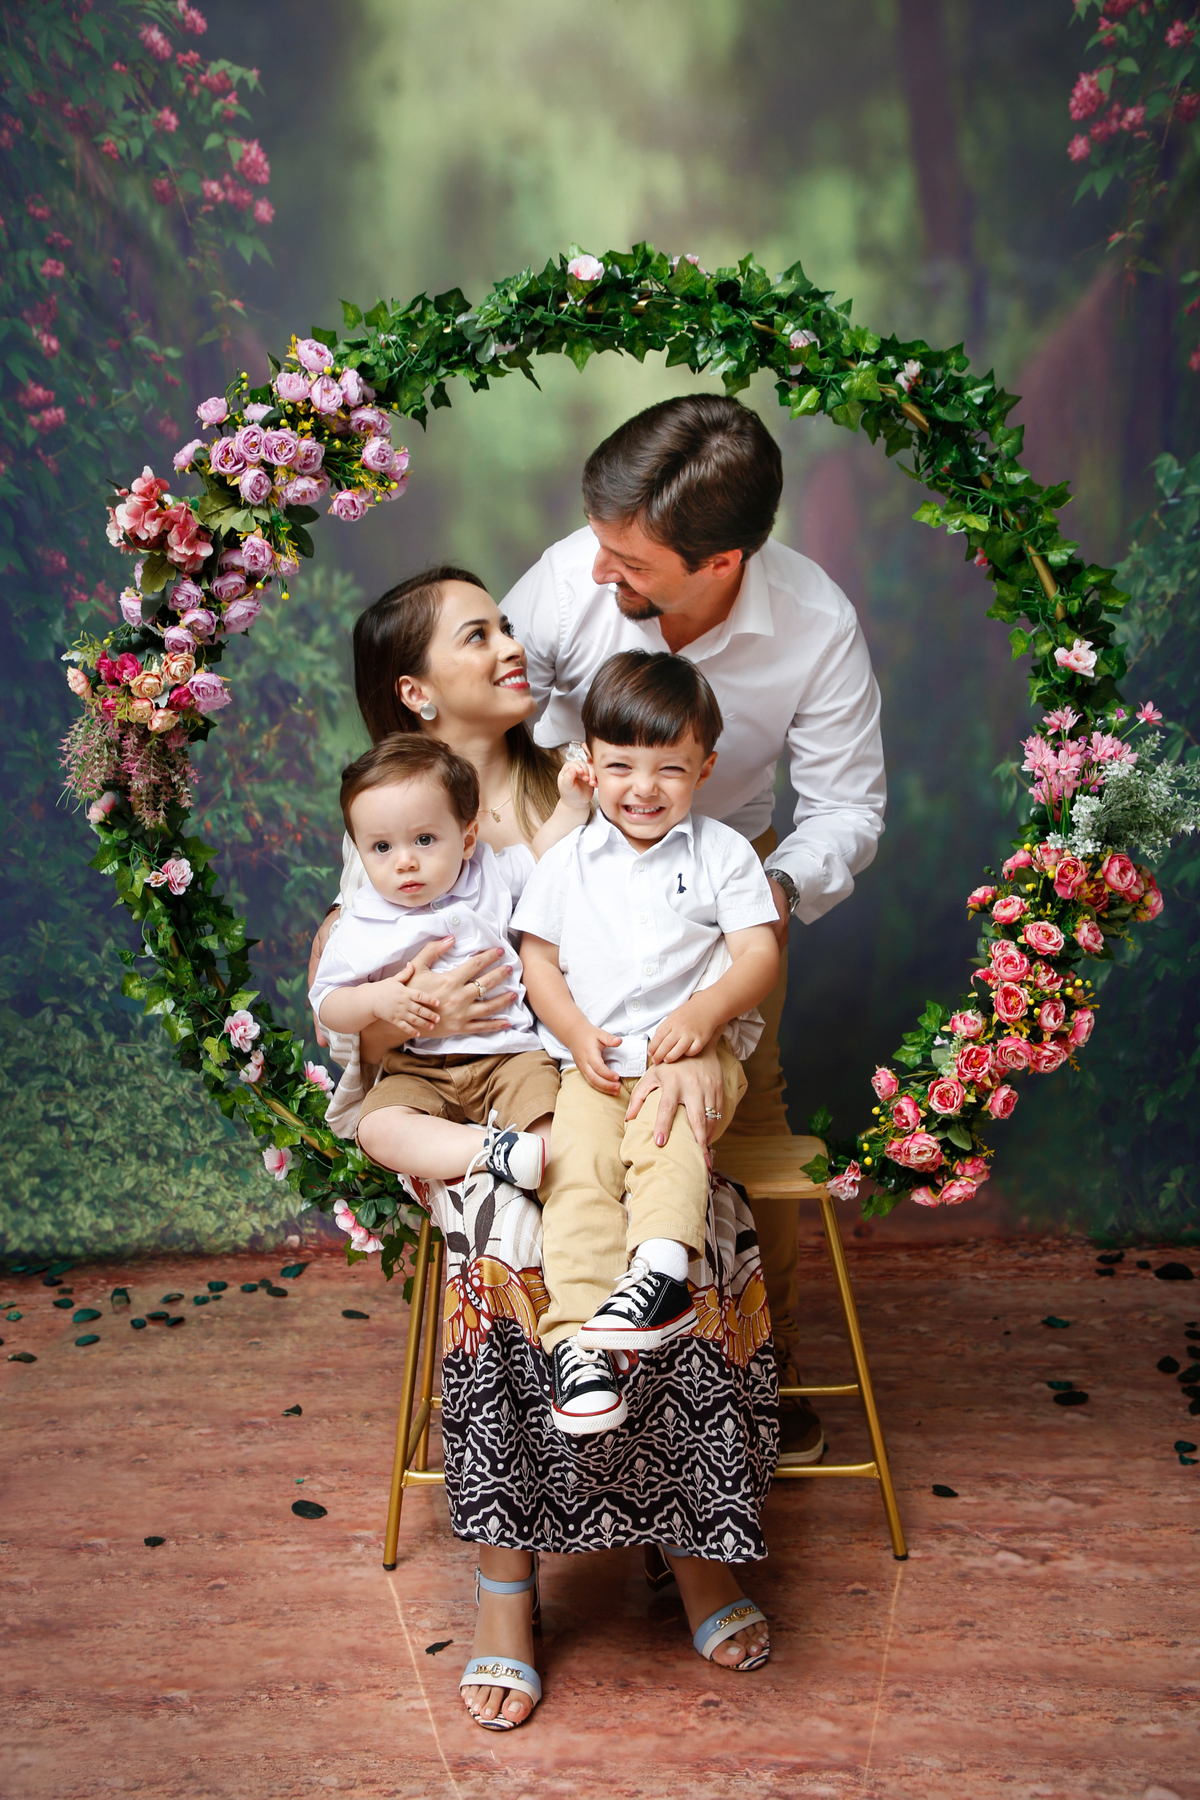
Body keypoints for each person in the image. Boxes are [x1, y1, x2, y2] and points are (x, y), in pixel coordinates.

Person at [308, 565, 777, 1733]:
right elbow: (350, 993)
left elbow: (705, 951)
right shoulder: (402, 810)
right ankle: (507, 1587)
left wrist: (692, 1057)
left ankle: (690, 1537)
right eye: (479, 635)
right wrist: (404, 1009)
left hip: (606, 1087)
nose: (512, 646)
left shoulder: (595, 770)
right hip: (473, 1121)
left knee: (677, 1220)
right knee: (510, 1245)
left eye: (508, 625)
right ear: (417, 691)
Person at [504, 393, 886, 1464]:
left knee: (743, 1121)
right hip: (563, 862)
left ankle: (773, 1372)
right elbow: (475, 712)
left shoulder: (813, 623)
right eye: (599, 541)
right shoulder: (571, 577)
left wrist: (756, 905)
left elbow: (847, 807)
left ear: (722, 564)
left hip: (729, 882)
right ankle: (546, 1359)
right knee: (565, 1116)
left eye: (629, 560)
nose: (597, 570)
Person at [515, 651, 780, 1434]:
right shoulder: (567, 861)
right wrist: (573, 1031)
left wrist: (707, 1010)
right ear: (589, 763)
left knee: (667, 1137)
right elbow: (539, 961)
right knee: (576, 1168)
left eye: (670, 768)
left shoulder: (723, 854)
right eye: (621, 766)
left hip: (692, 1058)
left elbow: (758, 952)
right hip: (595, 1065)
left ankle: (662, 1271)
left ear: (705, 768)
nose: (643, 787)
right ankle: (579, 1348)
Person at [310, 733, 586, 1186]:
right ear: (360, 851)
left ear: (467, 839)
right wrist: (376, 999)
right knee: (377, 1128)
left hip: (509, 1056)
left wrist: (572, 806)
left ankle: (523, 1154)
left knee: (553, 1138)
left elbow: (543, 853)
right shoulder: (363, 920)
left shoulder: (490, 874)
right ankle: (489, 1151)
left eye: (424, 839)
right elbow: (327, 1002)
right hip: (420, 1068)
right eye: (382, 848)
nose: (404, 862)